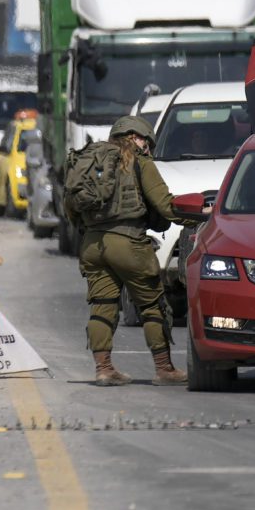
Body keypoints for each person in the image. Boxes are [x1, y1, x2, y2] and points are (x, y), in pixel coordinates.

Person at [64, 115, 192, 386]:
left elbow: (71, 209)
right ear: (137, 138)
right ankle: (165, 369)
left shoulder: (91, 162)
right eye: (146, 141)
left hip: (92, 245)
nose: (147, 146)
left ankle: (103, 369)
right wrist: (201, 215)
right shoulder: (140, 163)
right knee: (153, 306)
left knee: (102, 306)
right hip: (129, 243)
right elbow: (165, 205)